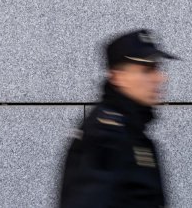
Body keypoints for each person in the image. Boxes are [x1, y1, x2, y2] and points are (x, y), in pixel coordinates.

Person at [58, 29, 178, 207]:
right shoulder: (106, 136)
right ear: (118, 77)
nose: (161, 78)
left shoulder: (131, 129)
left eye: (157, 68)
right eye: (147, 70)